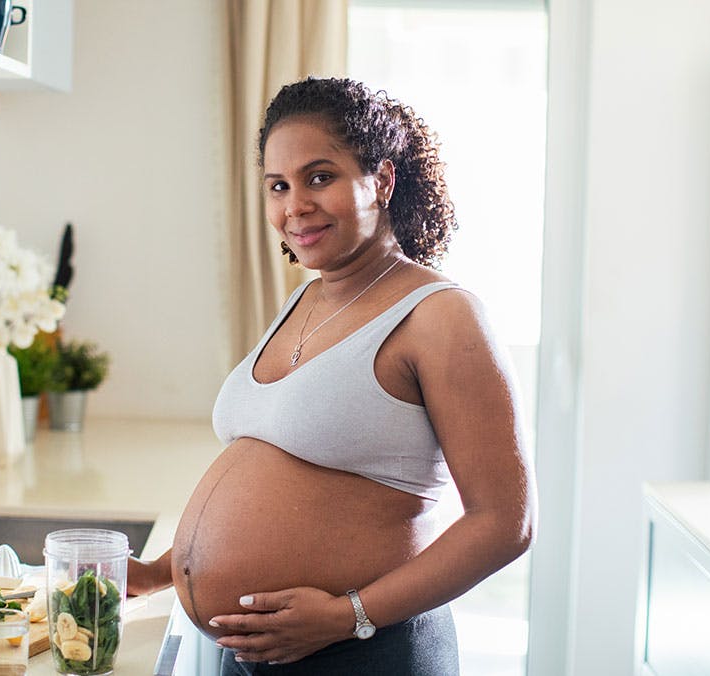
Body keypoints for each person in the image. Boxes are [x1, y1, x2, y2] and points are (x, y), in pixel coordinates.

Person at [128, 77, 537, 675]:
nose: (295, 205)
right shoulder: (306, 300)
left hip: (364, 654)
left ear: (383, 180)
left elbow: (506, 523)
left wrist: (350, 615)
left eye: (320, 177)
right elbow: (279, 473)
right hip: (255, 655)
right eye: (278, 185)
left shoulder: (442, 316)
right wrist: (162, 571)